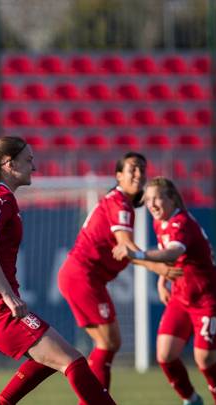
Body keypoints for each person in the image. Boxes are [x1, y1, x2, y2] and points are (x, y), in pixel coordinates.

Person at [0, 136, 117, 405]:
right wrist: (6, 296)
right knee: (73, 362)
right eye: (28, 160)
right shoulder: (1, 200)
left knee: (50, 358)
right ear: (8, 163)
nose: (34, 167)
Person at [57, 152, 182, 395]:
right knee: (108, 342)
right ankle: (94, 400)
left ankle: (93, 398)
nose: (139, 174)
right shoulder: (119, 203)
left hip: (83, 277)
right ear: (118, 176)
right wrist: (158, 268)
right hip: (83, 276)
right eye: (132, 169)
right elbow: (127, 247)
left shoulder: (119, 203)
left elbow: (125, 251)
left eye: (142, 169)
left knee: (108, 343)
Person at [113, 177, 216, 405]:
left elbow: (174, 253)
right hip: (180, 295)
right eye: (148, 200)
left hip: (207, 298)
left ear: (172, 198)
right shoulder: (160, 222)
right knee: (165, 356)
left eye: (157, 198)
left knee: (204, 360)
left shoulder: (182, 223)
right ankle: (191, 399)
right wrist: (162, 279)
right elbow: (171, 258)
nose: (152, 204)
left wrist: (137, 254)